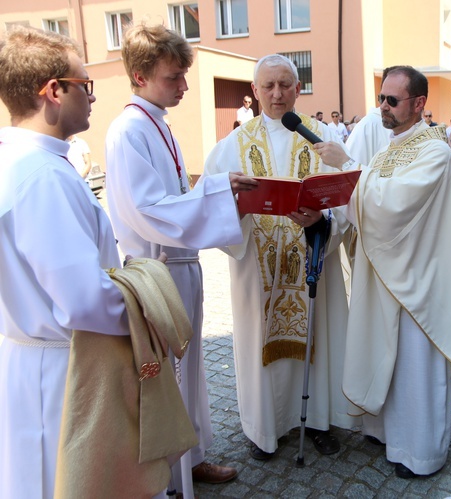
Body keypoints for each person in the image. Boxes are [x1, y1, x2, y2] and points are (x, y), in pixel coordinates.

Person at [105, 23, 257, 493]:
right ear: (139, 75)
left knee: (188, 377)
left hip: (179, 267)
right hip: (158, 272)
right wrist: (214, 189)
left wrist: (213, 192)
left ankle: (190, 460)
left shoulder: (156, 122)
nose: (184, 87)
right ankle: (169, 477)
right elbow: (148, 210)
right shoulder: (129, 130)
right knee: (166, 381)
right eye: (174, 77)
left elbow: (172, 196)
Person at [314, 65, 451, 479]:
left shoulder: (435, 151)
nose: (382, 107)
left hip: (419, 280)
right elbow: (366, 204)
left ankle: (420, 451)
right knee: (385, 353)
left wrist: (347, 163)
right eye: (381, 99)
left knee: (414, 364)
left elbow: (394, 204)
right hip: (384, 274)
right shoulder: (390, 150)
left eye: (392, 100)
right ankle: (385, 431)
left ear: (419, 103)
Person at [203, 53, 355, 462]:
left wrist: (321, 220)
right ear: (254, 92)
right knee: (259, 346)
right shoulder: (232, 146)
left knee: (319, 341)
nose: (277, 93)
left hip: (313, 264)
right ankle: (264, 428)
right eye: (267, 86)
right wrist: (235, 205)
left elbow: (346, 204)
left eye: (285, 84)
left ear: (298, 88)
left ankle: (320, 421)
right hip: (258, 270)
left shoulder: (322, 138)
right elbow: (210, 207)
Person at [0, 26, 129, 498]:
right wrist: (148, 308)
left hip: (26, 356)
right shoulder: (43, 177)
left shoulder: (18, 161)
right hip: (61, 370)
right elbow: (82, 300)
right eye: (85, 86)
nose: (92, 98)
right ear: (54, 91)